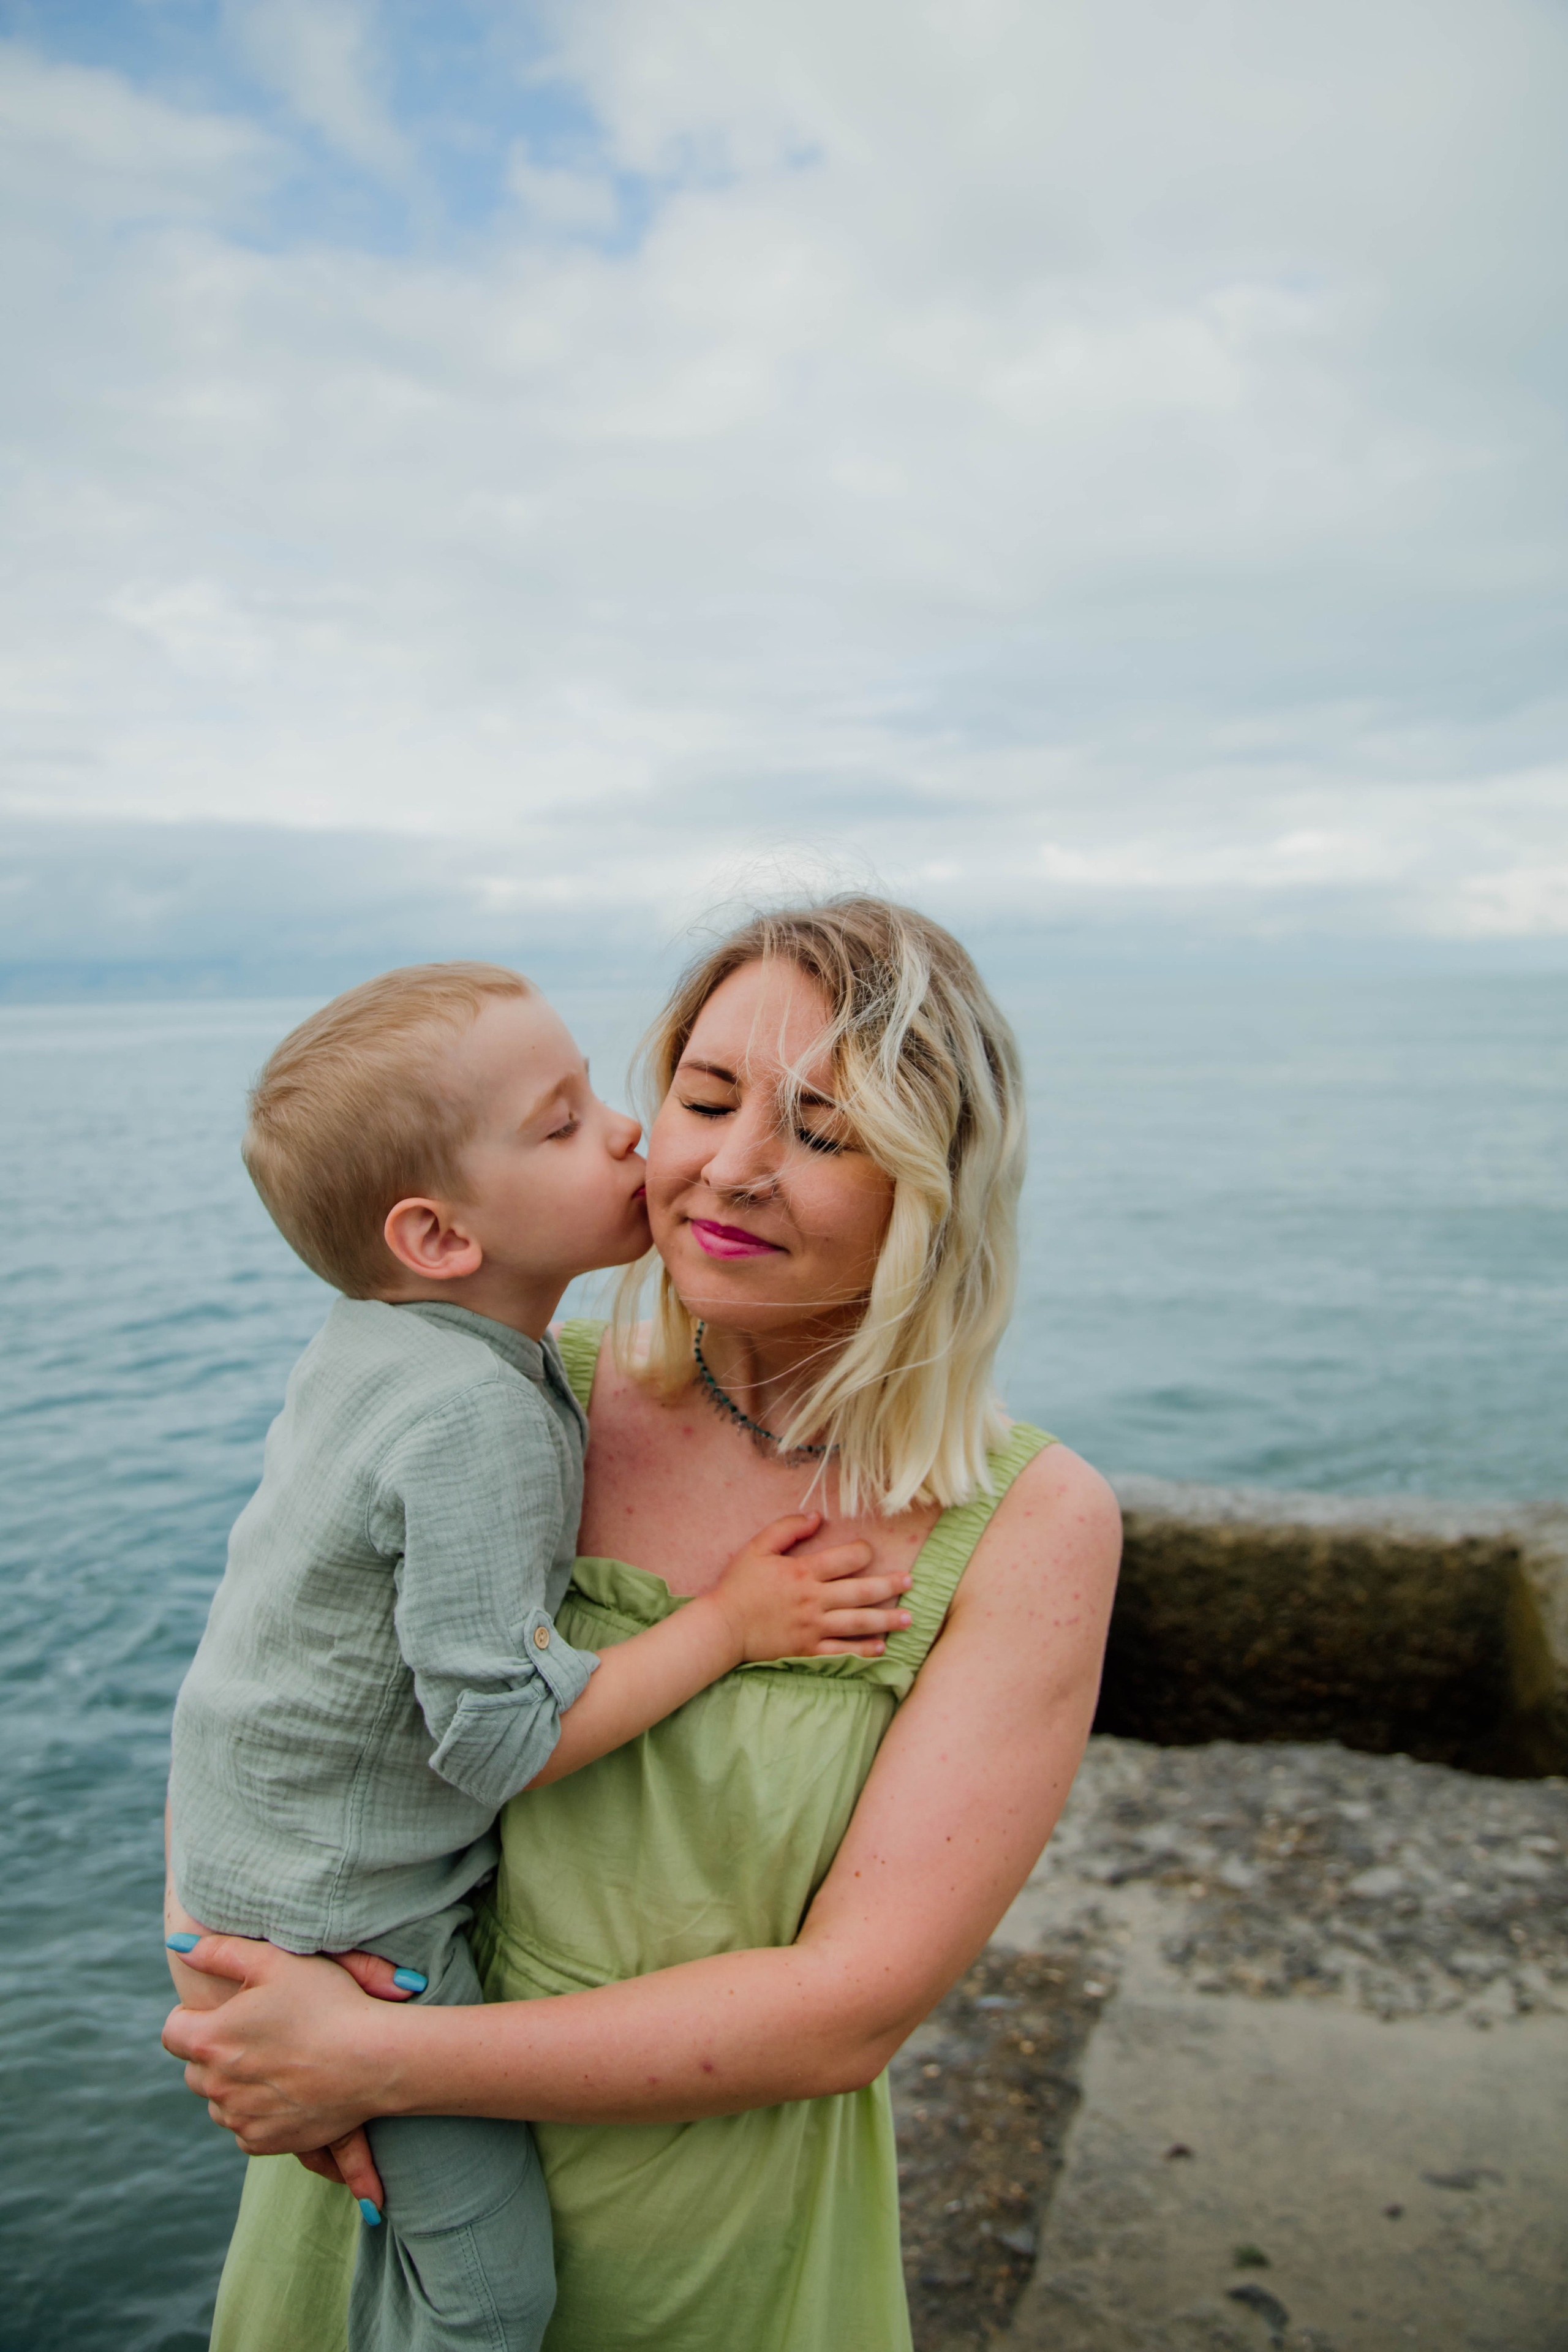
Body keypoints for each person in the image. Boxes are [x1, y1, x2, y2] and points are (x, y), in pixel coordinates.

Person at [165, 898, 1123, 2352]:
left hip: (708, 2235)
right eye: (705, 1096)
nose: (728, 1171)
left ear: (934, 1181)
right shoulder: (492, 1392)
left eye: (822, 1129)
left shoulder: (1033, 1525)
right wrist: (236, 2000)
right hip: (372, 2183)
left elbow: (843, 2011)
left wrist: (375, 2052)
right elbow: (273, 1684)